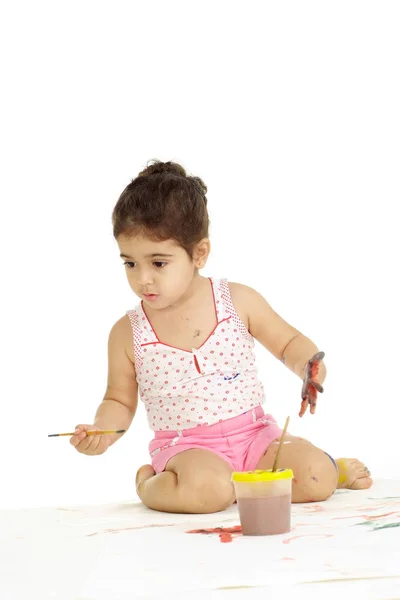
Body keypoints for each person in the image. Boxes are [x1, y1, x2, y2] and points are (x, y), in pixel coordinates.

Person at [71, 160, 372, 514]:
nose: (143, 280)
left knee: (316, 476)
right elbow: (119, 401)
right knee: (208, 492)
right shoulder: (127, 333)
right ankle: (149, 482)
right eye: (130, 263)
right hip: (189, 448)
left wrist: (309, 366)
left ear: (199, 253)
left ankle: (331, 470)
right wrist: (103, 432)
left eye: (158, 263)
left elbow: (287, 342)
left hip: (257, 436)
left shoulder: (237, 300)